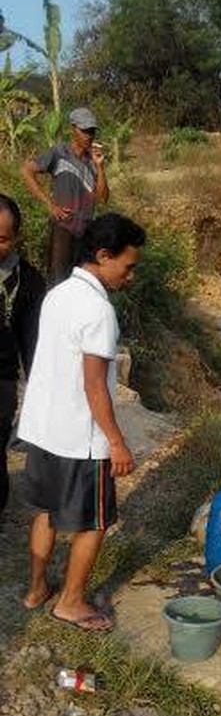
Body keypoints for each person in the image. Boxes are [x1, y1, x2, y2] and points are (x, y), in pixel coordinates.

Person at [18, 213, 145, 625]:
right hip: (79, 437)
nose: (130, 276)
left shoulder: (58, 294)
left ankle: (37, 589)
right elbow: (94, 386)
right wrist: (117, 442)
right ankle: (70, 602)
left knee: (46, 511)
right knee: (94, 522)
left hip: (43, 429)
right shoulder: (98, 310)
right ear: (104, 255)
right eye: (128, 266)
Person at [21, 107, 110, 286]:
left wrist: (100, 167)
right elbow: (27, 170)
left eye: (92, 131)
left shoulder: (93, 161)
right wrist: (50, 204)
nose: (89, 136)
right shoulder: (59, 153)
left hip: (85, 231)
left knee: (81, 283)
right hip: (63, 228)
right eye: (84, 131)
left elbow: (103, 198)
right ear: (73, 129)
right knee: (58, 282)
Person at [0, 195, 46, 516]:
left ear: (17, 238)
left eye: (2, 239)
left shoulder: (28, 281)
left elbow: (33, 345)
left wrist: (38, 397)